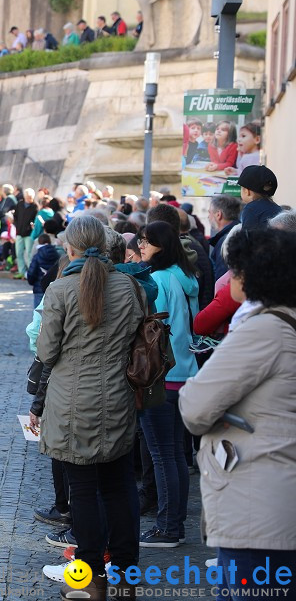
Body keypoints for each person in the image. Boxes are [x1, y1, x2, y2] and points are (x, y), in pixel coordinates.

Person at [179, 227, 296, 599]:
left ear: (254, 274)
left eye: (235, 270)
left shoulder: (262, 330)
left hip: (257, 505)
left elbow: (195, 408)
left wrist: (223, 413)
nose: (229, 277)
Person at [32, 215, 144, 601]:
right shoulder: (129, 286)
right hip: (117, 397)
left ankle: (91, 580)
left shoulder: (61, 289)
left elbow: (46, 351)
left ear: (70, 247)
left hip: (71, 403)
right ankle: (127, 577)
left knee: (82, 493)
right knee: (119, 487)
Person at [138, 220, 199, 548]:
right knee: (175, 455)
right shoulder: (182, 275)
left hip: (162, 376)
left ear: (162, 244)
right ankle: (173, 524)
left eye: (147, 241)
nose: (141, 245)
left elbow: (151, 334)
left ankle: (168, 528)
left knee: (163, 455)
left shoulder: (159, 280)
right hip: (184, 374)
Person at [236, 164, 281, 231]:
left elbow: (246, 238)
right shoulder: (278, 209)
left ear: (247, 191)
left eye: (242, 188)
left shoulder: (251, 209)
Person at [206, 194, 241, 278]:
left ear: (218, 215)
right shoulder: (241, 232)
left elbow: (221, 279)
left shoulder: (226, 241)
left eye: (209, 212)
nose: (208, 216)